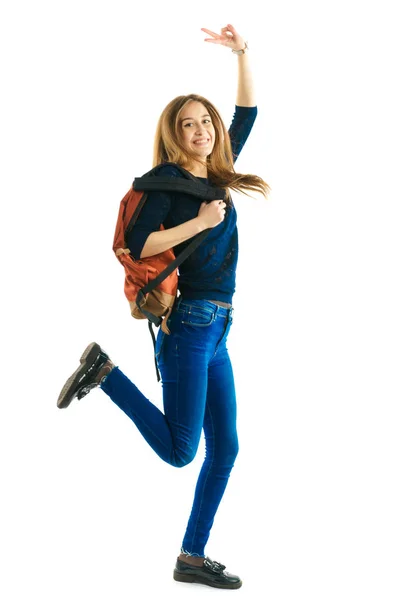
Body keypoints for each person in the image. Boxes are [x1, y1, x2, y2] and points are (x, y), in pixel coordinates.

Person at [57, 23, 270, 590]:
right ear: (173, 136)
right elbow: (139, 242)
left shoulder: (215, 171)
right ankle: (105, 374)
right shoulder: (168, 182)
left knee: (225, 448)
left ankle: (191, 558)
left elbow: (246, 115)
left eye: (205, 121)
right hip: (191, 323)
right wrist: (198, 223)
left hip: (219, 328)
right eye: (188, 124)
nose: (200, 129)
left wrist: (243, 54)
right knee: (182, 451)